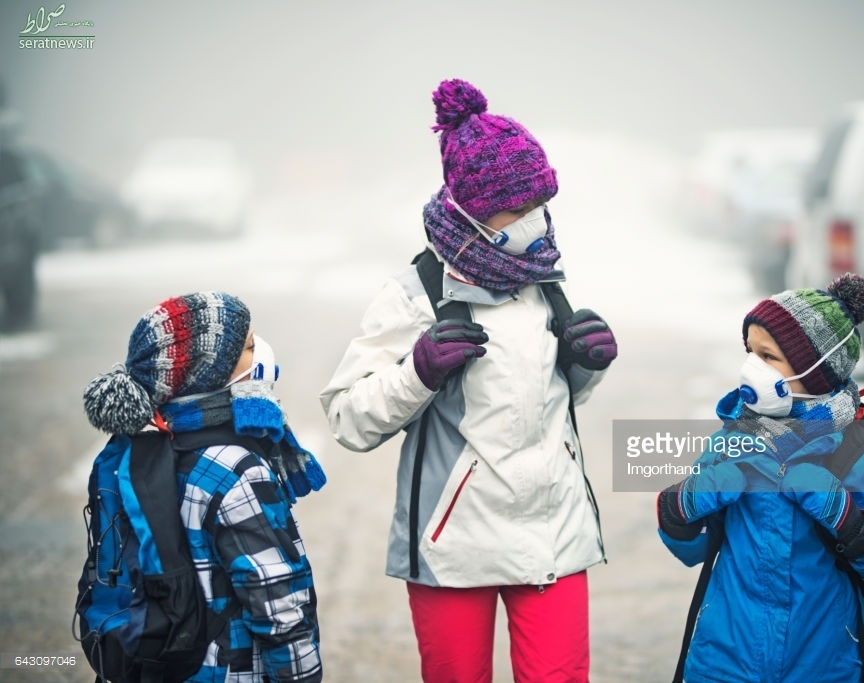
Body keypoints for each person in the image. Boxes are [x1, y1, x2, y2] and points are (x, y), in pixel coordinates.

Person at [320, 78, 617, 682]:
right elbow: (347, 417)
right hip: (451, 546)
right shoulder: (415, 295)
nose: (536, 222)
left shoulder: (545, 279)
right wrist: (418, 374)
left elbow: (553, 399)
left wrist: (584, 365)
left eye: (541, 205)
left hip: (553, 538)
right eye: (519, 210)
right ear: (474, 212)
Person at [656, 273, 864, 683]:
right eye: (750, 351)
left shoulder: (860, 453)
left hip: (820, 665)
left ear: (815, 372)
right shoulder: (732, 440)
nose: (751, 366)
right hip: (723, 663)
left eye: (768, 356)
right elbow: (691, 548)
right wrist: (685, 505)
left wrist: (846, 517)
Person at [83, 291, 325, 682]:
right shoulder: (236, 469)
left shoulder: (143, 447)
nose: (262, 352)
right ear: (210, 375)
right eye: (248, 346)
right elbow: (276, 604)